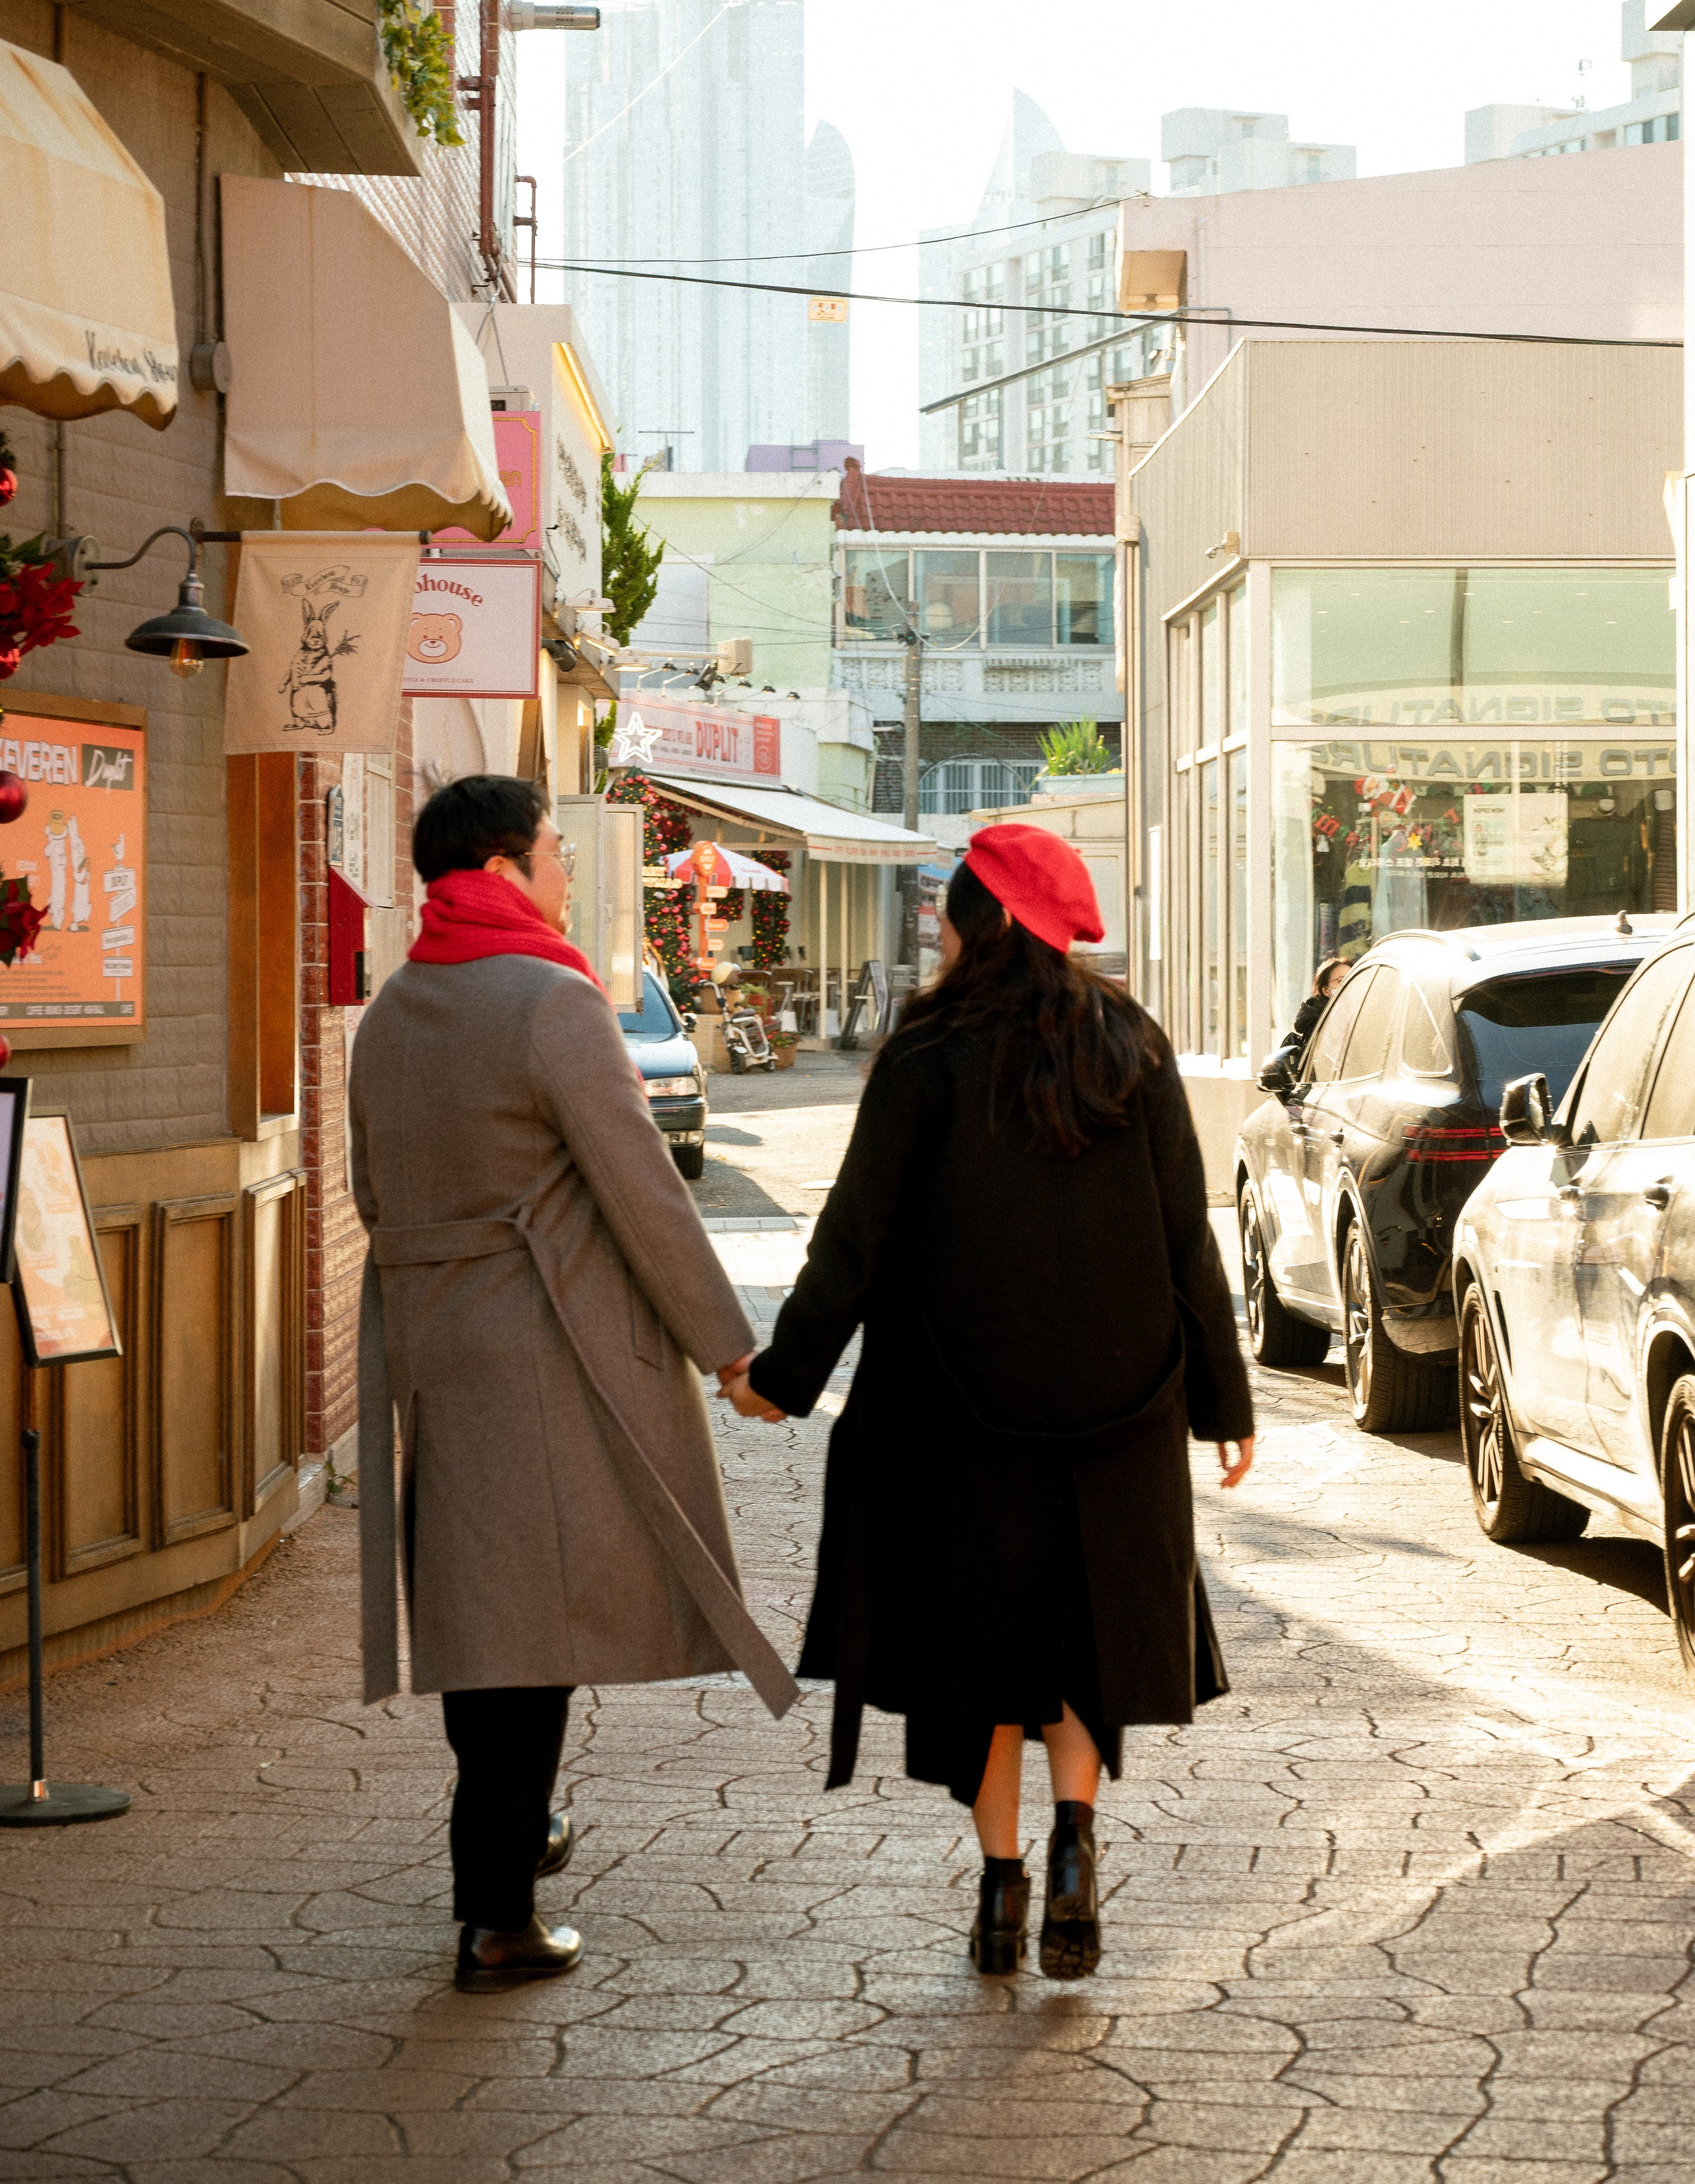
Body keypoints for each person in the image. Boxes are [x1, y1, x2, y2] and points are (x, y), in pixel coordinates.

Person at [722, 820, 1255, 1981]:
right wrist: (1226, 1402)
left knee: (983, 1649)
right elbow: (1185, 1240)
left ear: (991, 922)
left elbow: (857, 1235)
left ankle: (1002, 1891)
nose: (946, 929)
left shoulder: (929, 1050)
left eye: (956, 910)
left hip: (959, 1416)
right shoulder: (1136, 1045)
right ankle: (1077, 1849)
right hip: (1121, 1415)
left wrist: (783, 1375)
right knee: (1078, 1640)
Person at [351, 775, 797, 1991]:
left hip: (434, 1346)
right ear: (500, 868)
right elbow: (641, 1186)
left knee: (478, 1610)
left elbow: (370, 1191)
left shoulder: (393, 1007)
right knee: (525, 1630)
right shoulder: (552, 999)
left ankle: (512, 1843)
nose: (565, 874)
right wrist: (731, 1348)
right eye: (554, 852)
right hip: (539, 1348)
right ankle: (494, 1913)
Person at [1283, 954, 1350, 1053]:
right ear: (1325, 990)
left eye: (1351, 979)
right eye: (1340, 981)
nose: (1347, 984)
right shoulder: (1319, 1020)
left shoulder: (1362, 1011)